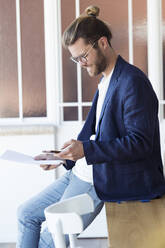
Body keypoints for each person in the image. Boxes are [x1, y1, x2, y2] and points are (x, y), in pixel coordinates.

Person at [16, 5, 165, 248]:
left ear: (103, 43)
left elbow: (140, 143)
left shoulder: (132, 82)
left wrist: (86, 150)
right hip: (81, 171)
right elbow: (93, 137)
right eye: (76, 59)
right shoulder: (107, 82)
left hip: (102, 178)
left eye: (83, 56)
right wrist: (60, 157)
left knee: (47, 240)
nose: (81, 64)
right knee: (25, 215)